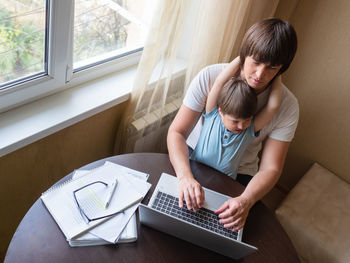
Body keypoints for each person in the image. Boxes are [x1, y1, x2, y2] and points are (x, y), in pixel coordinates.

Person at [167, 18, 298, 232]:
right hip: (191, 158)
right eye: (255, 61)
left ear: (282, 69)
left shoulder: (288, 106)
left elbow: (271, 168)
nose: (259, 75)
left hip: (240, 176)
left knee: (222, 233)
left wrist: (246, 200)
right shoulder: (211, 77)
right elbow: (177, 132)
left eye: (272, 68)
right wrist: (185, 177)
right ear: (245, 54)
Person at [190, 57, 282, 180]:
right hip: (194, 172)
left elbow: (273, 106)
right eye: (235, 121)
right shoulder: (212, 115)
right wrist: (243, 55)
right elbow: (219, 82)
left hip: (224, 183)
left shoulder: (248, 131)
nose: (241, 126)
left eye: (247, 120)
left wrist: (277, 74)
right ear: (221, 111)